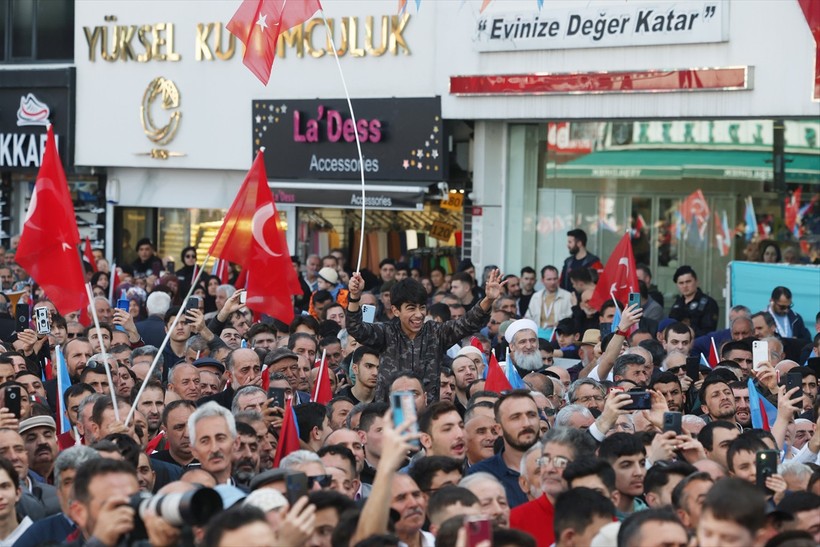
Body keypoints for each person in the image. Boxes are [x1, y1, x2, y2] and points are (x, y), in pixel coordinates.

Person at [346, 271, 505, 403]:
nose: (418, 314)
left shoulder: (436, 333)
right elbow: (356, 328)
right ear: (395, 311)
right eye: (410, 308)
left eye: (422, 307)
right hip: (390, 416)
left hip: (427, 416)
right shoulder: (386, 333)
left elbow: (468, 322)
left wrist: (488, 299)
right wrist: (354, 296)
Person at [510, 427, 596, 546]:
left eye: (560, 462)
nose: (549, 469)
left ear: (582, 468)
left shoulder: (600, 517)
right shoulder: (515, 521)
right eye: (545, 460)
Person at [467, 390, 540, 508]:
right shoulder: (480, 475)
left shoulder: (559, 465)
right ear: (498, 429)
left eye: (531, 415)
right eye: (516, 417)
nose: (526, 423)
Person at [668, 266, 719, 337]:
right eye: (681, 283)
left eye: (688, 282)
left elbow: (708, 331)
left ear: (696, 281)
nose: (685, 286)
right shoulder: (677, 303)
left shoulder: (709, 303)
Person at [525, 266, 573, 334]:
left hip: (559, 336)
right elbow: (528, 318)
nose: (553, 282)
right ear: (542, 280)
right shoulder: (536, 296)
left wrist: (559, 324)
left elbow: (571, 320)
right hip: (538, 335)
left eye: (555, 279)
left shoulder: (568, 296)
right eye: (549, 279)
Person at [560, 229, 603, 294]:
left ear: (579, 243)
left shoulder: (594, 262)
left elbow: (600, 285)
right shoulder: (567, 262)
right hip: (567, 301)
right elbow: (561, 282)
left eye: (570, 242)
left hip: (586, 301)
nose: (568, 245)